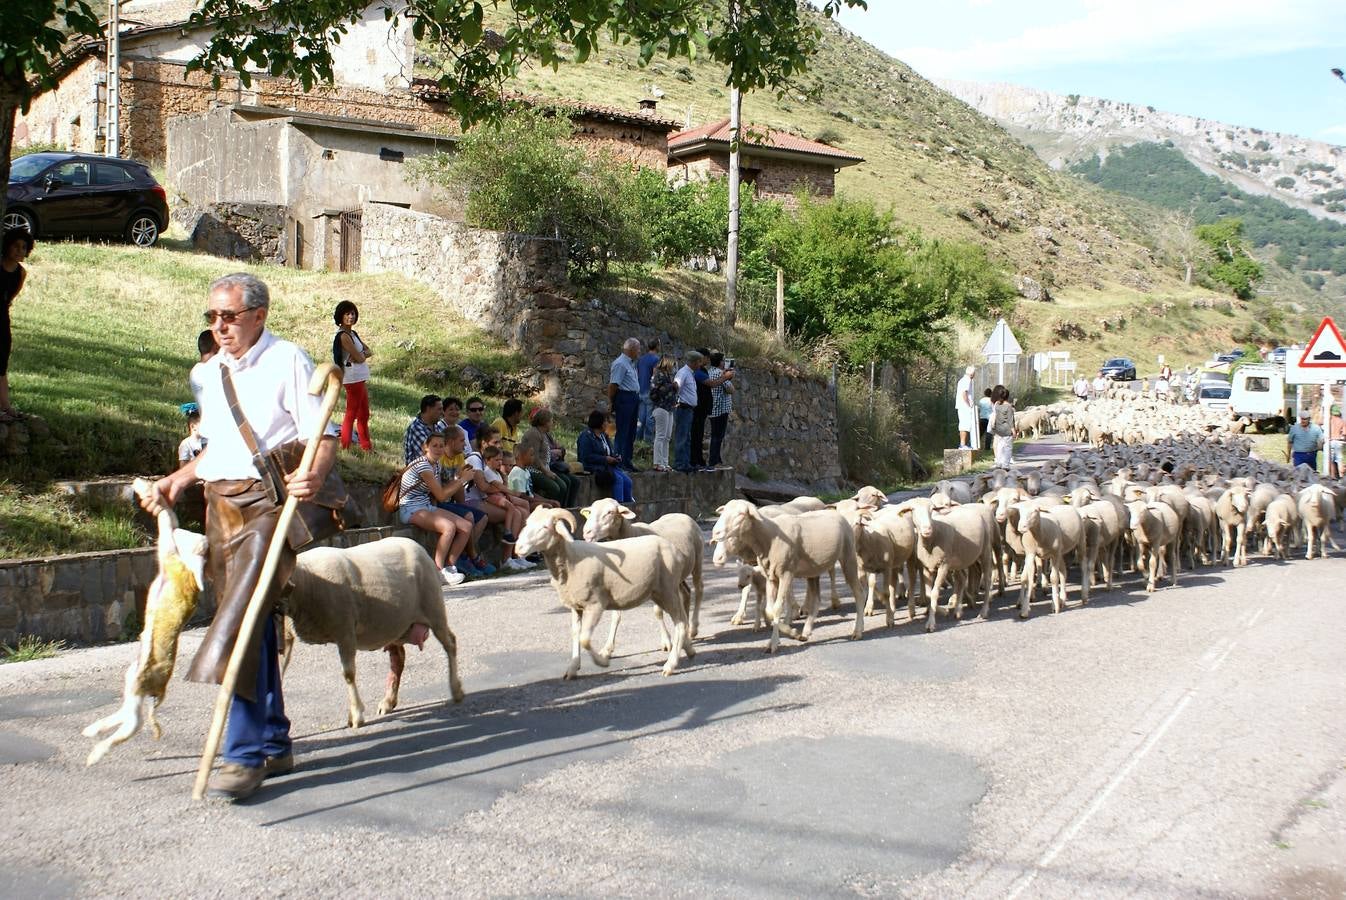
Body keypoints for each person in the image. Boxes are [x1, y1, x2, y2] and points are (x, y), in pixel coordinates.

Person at [139, 272, 338, 802]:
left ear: (259, 315)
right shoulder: (207, 375)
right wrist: (178, 480)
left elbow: (324, 433)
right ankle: (274, 739)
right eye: (212, 317)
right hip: (219, 506)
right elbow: (216, 446)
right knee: (255, 618)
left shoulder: (288, 360)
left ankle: (243, 753)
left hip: (270, 504)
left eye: (229, 316)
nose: (220, 326)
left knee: (239, 618)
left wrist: (313, 472)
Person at [397, 431, 472, 585]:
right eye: (434, 446)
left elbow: (439, 491)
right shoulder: (424, 466)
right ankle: (437, 572)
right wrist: (463, 480)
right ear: (426, 447)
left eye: (441, 446)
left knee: (466, 526)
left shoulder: (435, 463)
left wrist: (458, 478)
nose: (438, 449)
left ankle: (450, 568)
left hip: (426, 506)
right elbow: (441, 496)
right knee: (449, 527)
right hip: (410, 508)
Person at [0, 228, 34, 423]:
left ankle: (5, 405)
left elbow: (11, 297)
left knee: (1, 363)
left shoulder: (20, 273)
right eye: (16, 246)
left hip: (3, 318)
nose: (20, 251)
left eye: (24, 247)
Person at [332, 300, 373, 452]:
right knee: (352, 413)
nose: (351, 316)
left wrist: (359, 355)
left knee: (364, 414)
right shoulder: (343, 336)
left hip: (359, 377)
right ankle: (346, 445)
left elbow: (368, 351)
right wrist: (360, 356)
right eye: (347, 314)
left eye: (353, 313)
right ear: (340, 317)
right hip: (352, 378)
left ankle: (366, 446)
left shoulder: (353, 334)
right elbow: (362, 357)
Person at [519, 408, 579, 506]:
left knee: (563, 485)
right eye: (551, 421)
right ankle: (548, 509)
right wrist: (546, 472)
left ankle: (561, 509)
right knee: (554, 488)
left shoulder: (543, 434)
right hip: (533, 470)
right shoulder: (533, 434)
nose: (552, 423)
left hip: (544, 469)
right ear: (544, 421)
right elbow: (535, 458)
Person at [578, 409, 634, 503]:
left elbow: (609, 451)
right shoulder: (586, 437)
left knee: (628, 481)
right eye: (606, 421)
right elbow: (586, 457)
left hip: (607, 466)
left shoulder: (604, 436)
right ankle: (618, 506)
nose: (608, 423)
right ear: (599, 422)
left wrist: (615, 457)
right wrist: (605, 459)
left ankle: (628, 506)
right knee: (618, 480)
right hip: (594, 466)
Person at [608, 337, 642, 470]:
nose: (639, 351)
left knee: (631, 431)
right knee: (623, 431)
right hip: (624, 398)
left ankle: (627, 461)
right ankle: (619, 461)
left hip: (633, 398)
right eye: (638, 348)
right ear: (631, 349)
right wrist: (612, 401)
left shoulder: (632, 364)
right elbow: (613, 385)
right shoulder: (620, 363)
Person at [673, 350, 702, 473]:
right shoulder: (683, 373)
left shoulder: (690, 373)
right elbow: (676, 386)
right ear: (694, 362)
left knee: (687, 437)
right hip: (683, 408)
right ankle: (680, 463)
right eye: (699, 362)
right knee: (682, 436)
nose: (700, 364)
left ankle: (685, 462)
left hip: (688, 409)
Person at [706, 350, 735, 468]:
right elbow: (731, 389)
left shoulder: (709, 372)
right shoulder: (720, 374)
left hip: (712, 408)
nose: (724, 362)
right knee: (718, 436)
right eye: (723, 360)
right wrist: (728, 378)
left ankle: (717, 459)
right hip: (721, 409)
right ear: (720, 362)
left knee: (715, 435)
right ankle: (714, 461)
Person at [649, 354, 677, 472]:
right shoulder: (659, 375)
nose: (675, 367)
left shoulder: (667, 375)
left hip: (669, 408)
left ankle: (665, 462)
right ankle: (657, 462)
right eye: (673, 364)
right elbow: (654, 393)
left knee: (667, 437)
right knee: (660, 436)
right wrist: (671, 386)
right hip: (661, 408)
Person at [507, 445, 558, 511]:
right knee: (547, 507)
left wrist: (548, 500)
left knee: (552, 504)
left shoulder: (525, 471)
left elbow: (531, 493)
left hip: (529, 501)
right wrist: (548, 502)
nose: (533, 458)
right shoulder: (517, 473)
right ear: (520, 456)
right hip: (520, 504)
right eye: (531, 455)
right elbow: (523, 497)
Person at [403, 394, 445, 464]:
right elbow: (431, 455)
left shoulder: (438, 427)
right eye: (439, 409)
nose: (442, 413)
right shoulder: (416, 428)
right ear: (428, 409)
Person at [636, 337, 660, 445]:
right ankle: (648, 442)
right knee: (650, 418)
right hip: (649, 391)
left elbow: (637, 373)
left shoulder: (641, 359)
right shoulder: (656, 359)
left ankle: (637, 440)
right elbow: (654, 376)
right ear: (657, 346)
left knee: (641, 417)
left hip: (640, 389)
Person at [989, 384, 1016, 468]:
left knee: (1000, 447)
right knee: (1007, 447)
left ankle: (999, 462)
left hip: (998, 430)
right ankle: (1005, 465)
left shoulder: (997, 406)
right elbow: (1010, 420)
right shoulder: (1009, 407)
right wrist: (1014, 431)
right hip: (1007, 430)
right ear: (1007, 396)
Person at [955, 364, 976, 450]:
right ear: (972, 373)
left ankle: (964, 444)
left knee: (965, 425)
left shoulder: (962, 380)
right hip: (964, 406)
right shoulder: (967, 380)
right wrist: (968, 404)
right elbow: (964, 393)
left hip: (962, 406)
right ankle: (962, 444)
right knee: (965, 425)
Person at [1330, 405, 1346, 479]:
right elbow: (1344, 433)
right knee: (1339, 460)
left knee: (1331, 460)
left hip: (1331, 441)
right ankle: (1341, 477)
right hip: (1339, 441)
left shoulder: (1330, 420)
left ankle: (1332, 477)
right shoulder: (1342, 421)